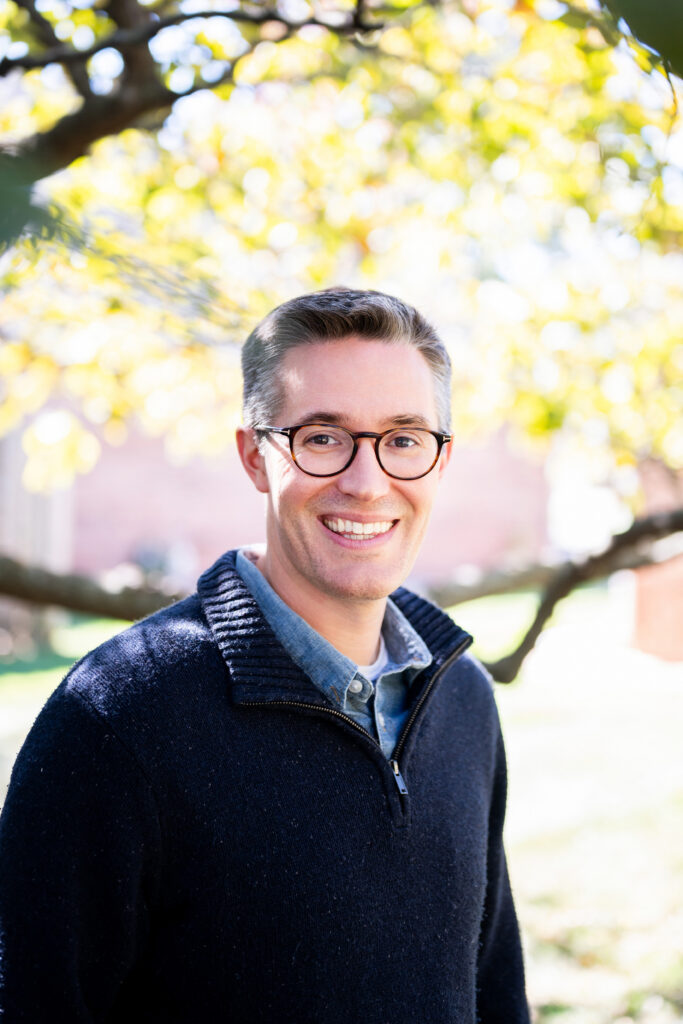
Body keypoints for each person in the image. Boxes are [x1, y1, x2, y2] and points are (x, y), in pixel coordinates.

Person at [0, 288, 530, 1022]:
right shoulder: (118, 717)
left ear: (439, 461)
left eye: (403, 439)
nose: (367, 482)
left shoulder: (461, 696)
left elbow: (492, 985)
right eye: (321, 437)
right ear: (255, 456)